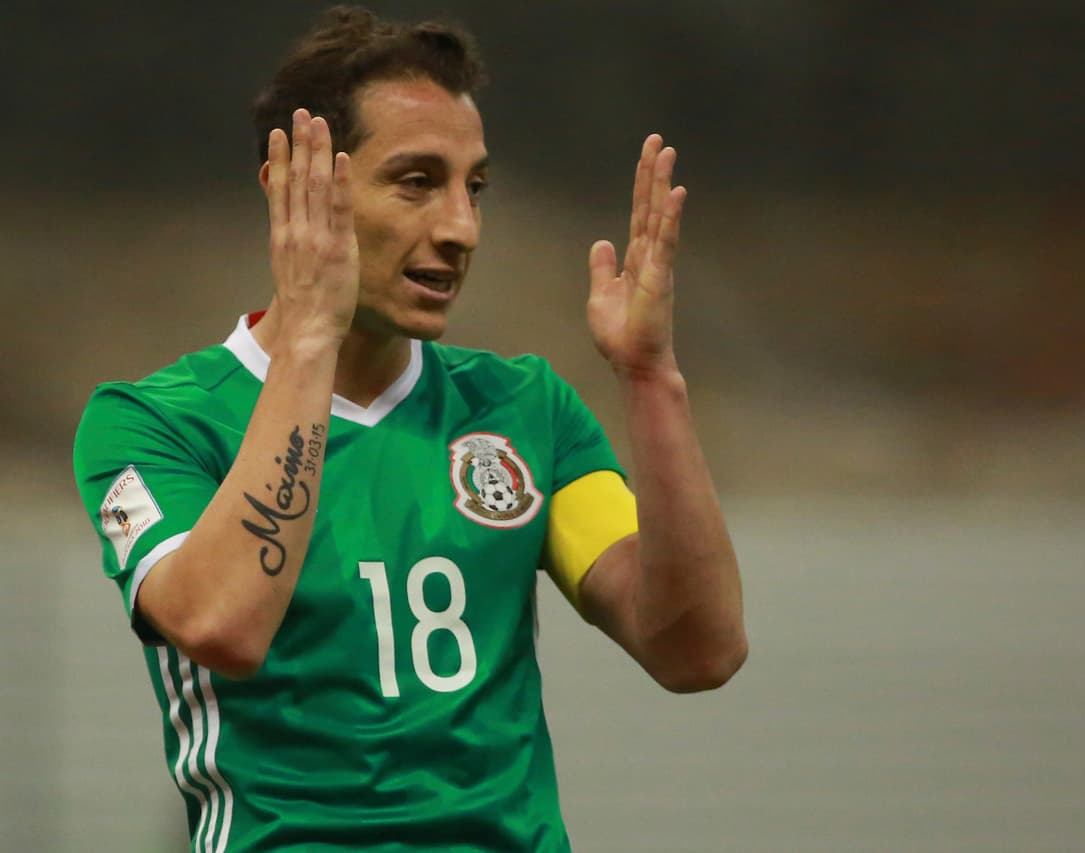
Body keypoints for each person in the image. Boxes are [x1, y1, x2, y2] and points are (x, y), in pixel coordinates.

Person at [72, 6, 746, 851]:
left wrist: (652, 380)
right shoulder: (155, 424)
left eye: (476, 187)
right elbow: (223, 624)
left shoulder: (524, 411)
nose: (461, 227)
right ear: (298, 191)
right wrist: (312, 338)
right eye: (418, 181)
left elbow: (696, 649)